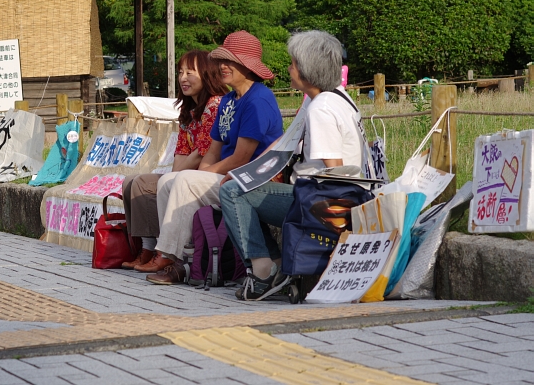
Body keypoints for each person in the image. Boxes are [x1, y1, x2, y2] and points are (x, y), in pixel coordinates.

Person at [220, 30, 370, 301]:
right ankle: (273, 264)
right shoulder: (336, 97)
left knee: (232, 193)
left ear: (306, 69)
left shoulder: (321, 110)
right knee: (239, 186)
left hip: (322, 203)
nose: (289, 69)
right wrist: (245, 174)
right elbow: (284, 142)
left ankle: (263, 271)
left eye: (292, 63)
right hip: (341, 197)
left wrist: (338, 223)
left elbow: (335, 170)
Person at [142, 30, 284, 284]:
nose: (222, 66)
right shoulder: (229, 101)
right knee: (168, 182)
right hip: (225, 176)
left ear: (247, 66)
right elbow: (213, 151)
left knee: (184, 180)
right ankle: (175, 258)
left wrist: (199, 175)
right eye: (221, 60)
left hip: (251, 180)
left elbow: (241, 158)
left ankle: (177, 260)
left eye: (230, 61)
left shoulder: (259, 99)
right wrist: (201, 171)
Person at [121, 50, 228, 270]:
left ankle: (159, 252)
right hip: (188, 171)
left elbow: (202, 154)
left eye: (190, 72)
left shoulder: (215, 106)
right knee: (131, 181)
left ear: (207, 74)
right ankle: (145, 248)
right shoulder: (188, 111)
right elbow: (181, 157)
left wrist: (179, 168)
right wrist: (179, 168)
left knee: (146, 183)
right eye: (180, 72)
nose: (183, 78)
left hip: (207, 174)